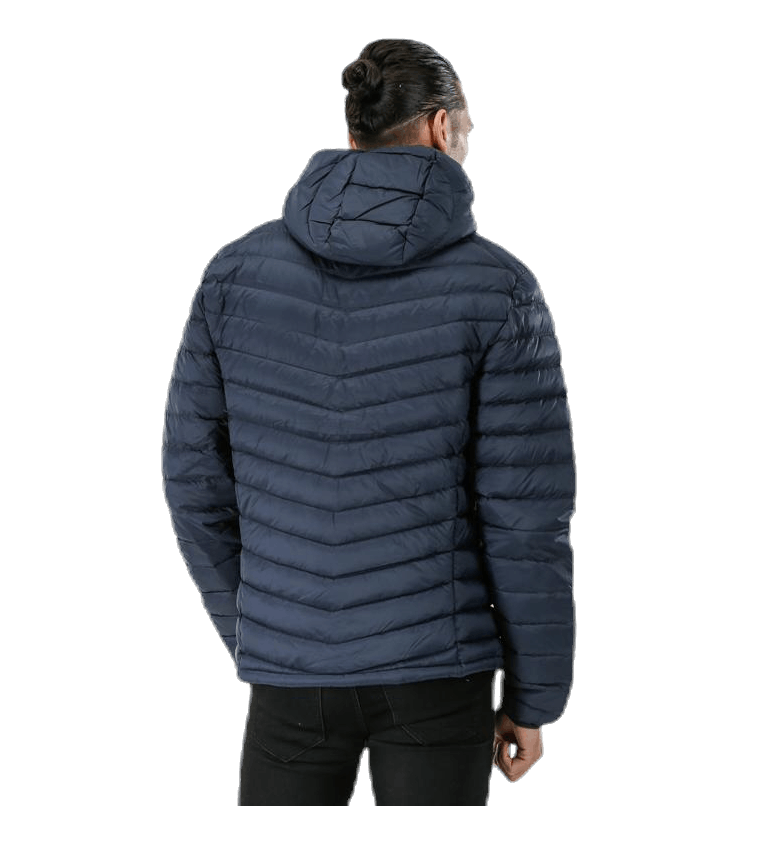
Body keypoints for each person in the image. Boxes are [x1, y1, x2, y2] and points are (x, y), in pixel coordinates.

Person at [161, 37, 576, 806]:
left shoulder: (233, 273)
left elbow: (192, 484)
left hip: (291, 676)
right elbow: (526, 520)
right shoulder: (500, 289)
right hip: (439, 671)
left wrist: (264, 630)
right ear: (440, 127)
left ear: (355, 128)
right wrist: (535, 697)